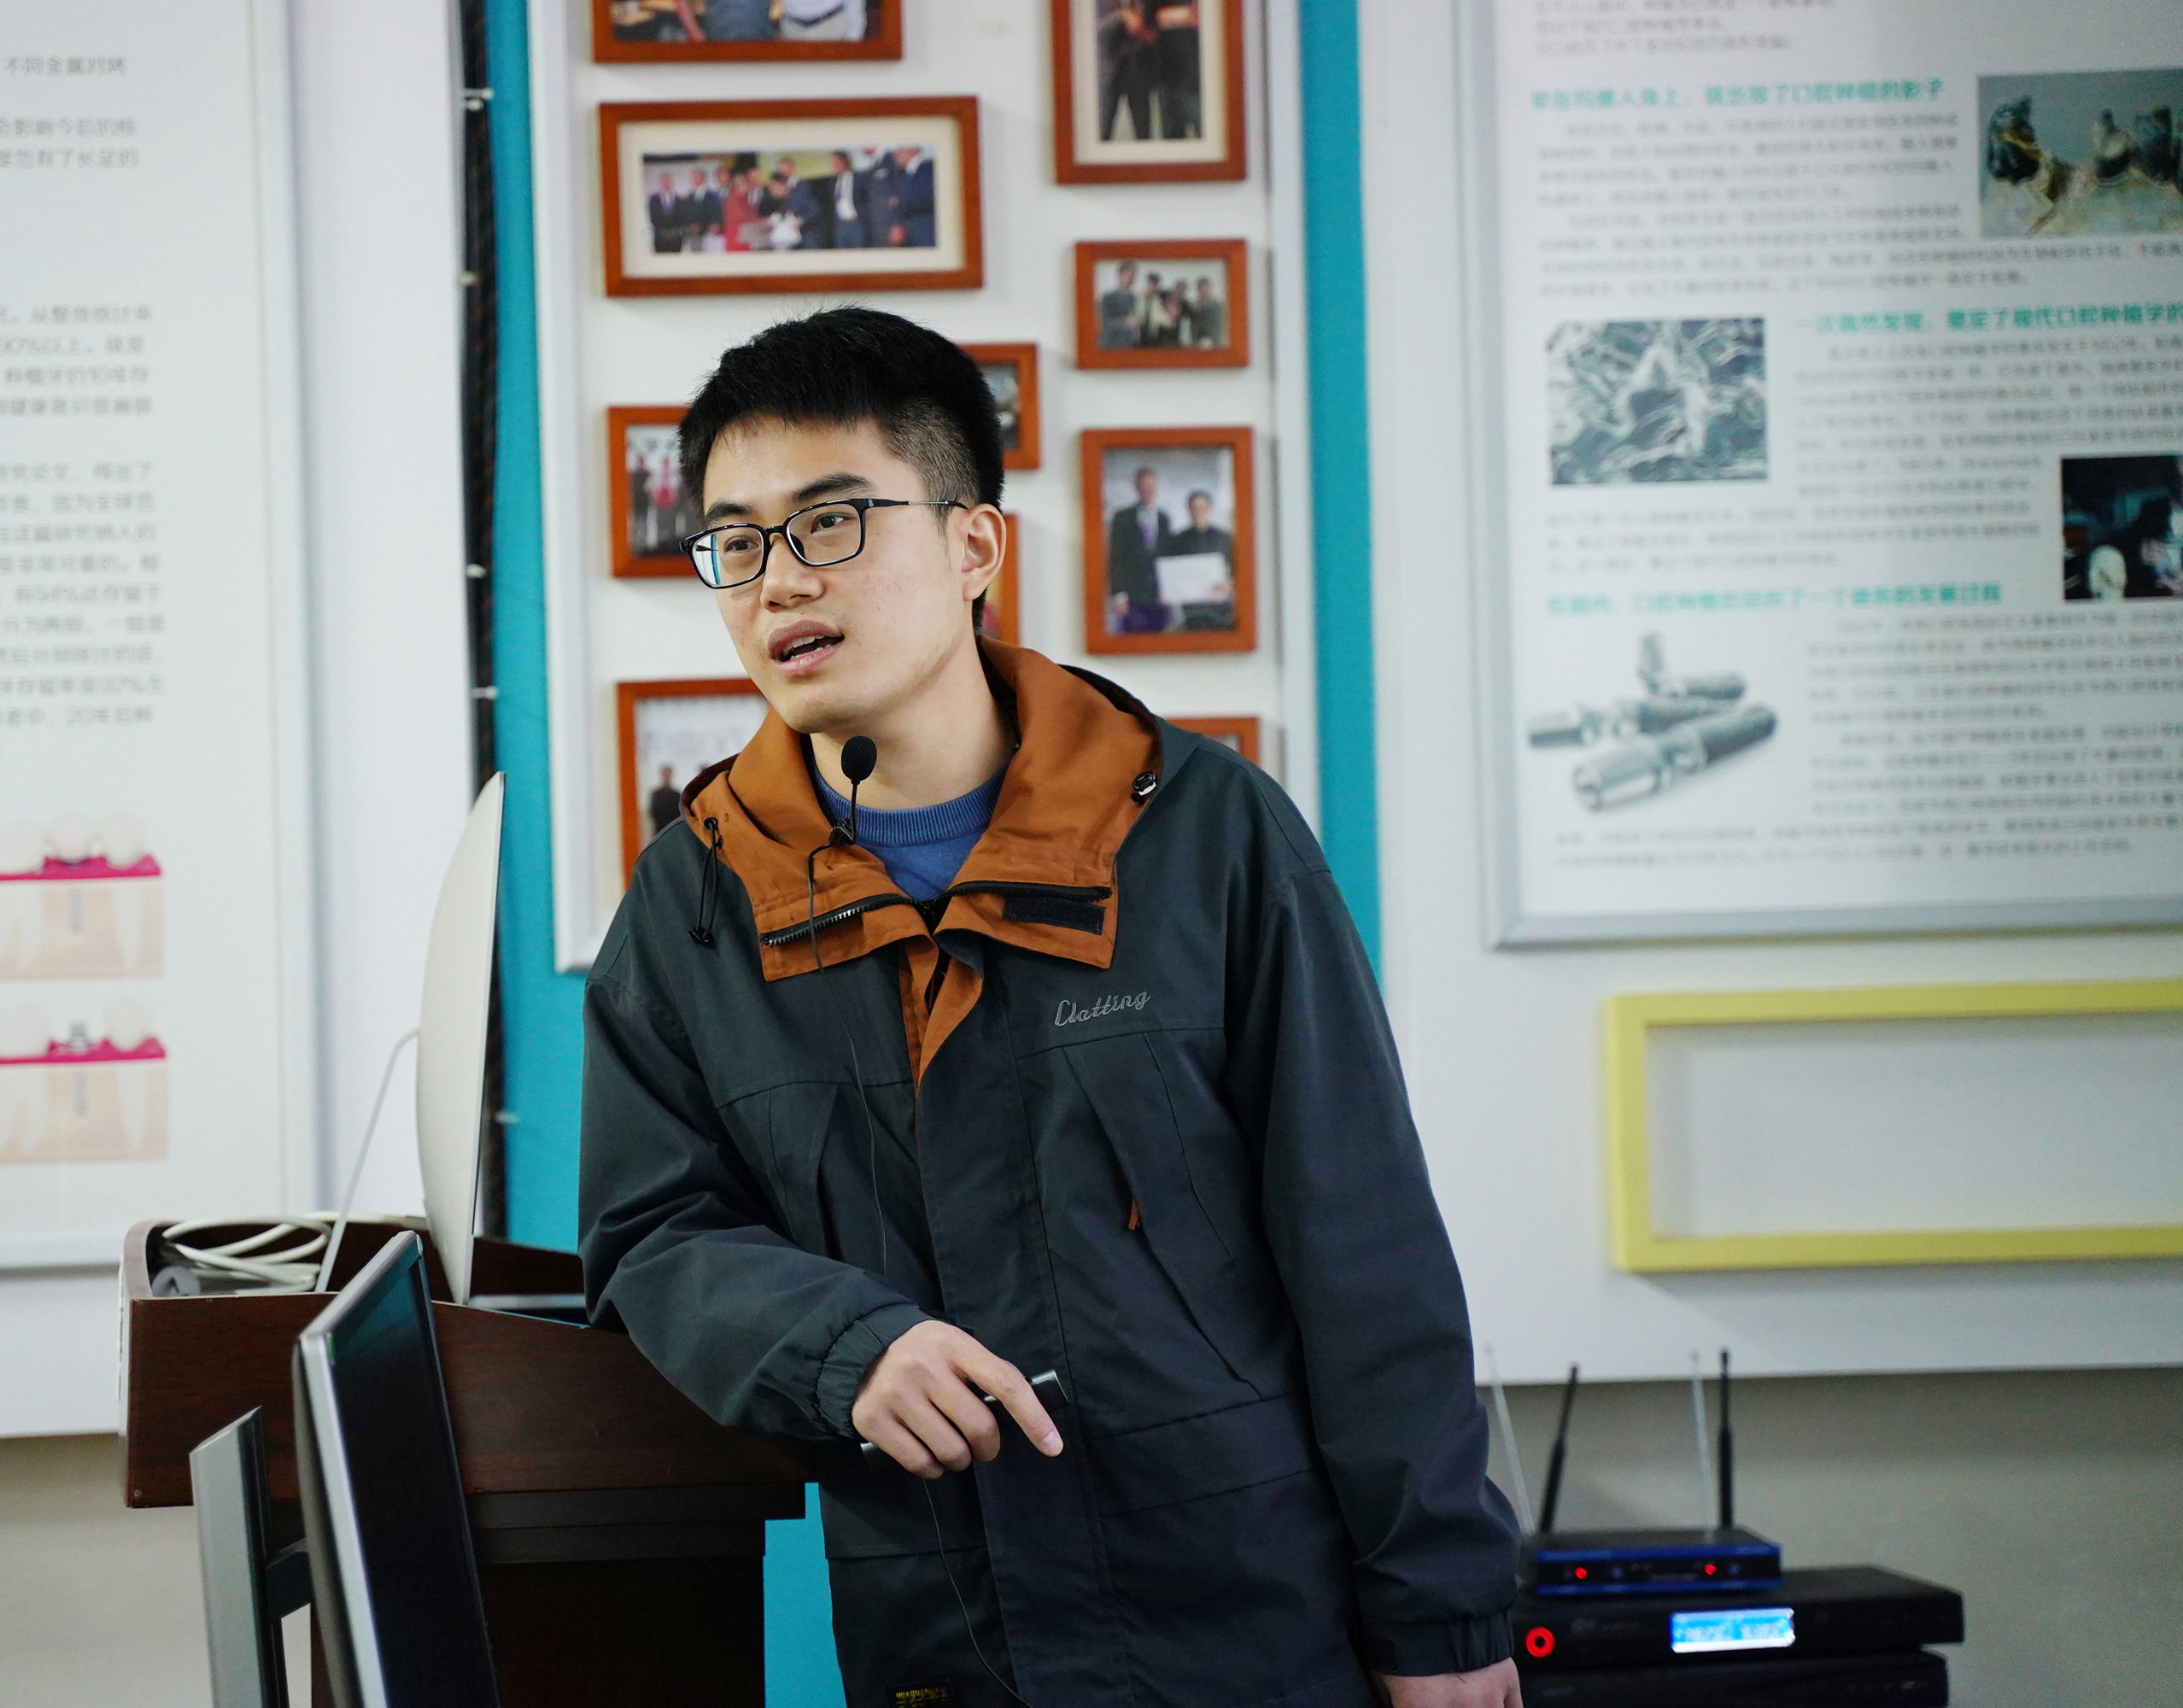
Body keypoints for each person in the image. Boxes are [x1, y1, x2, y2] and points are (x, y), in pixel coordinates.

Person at [579, 304, 1520, 1708]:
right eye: (736, 542)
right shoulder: (696, 899)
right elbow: (652, 1235)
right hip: (939, 1636)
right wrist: (844, 1346)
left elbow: (1361, 1239)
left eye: (830, 523)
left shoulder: (1203, 835)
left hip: (1246, 1626)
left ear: (974, 547)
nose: (778, 584)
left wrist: (1441, 1617)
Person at [1104, 463, 1173, 632]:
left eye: (1151, 486)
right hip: (1132, 597)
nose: (1148, 490)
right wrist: (1118, 594)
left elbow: (1169, 556)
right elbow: (1116, 558)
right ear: (1137, 488)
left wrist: (1171, 590)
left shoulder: (1164, 518)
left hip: (1159, 597)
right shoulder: (1122, 517)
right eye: (1144, 485)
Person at [1165, 488, 1235, 629]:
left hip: (1220, 610)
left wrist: (1230, 583)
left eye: (1202, 508)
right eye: (1195, 508)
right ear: (1189, 510)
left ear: (1209, 509)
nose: (1198, 512)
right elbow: (1170, 574)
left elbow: (1239, 572)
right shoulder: (1177, 540)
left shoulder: (1224, 538)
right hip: (1190, 612)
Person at [1098, 0, 1160, 143]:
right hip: (1108, 70)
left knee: (1143, 134)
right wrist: (1122, 17)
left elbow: (1156, 30)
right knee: (1103, 131)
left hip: (1140, 68)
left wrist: (1144, 31)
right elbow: (1092, 29)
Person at [1155, 1, 1203, 138]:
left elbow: (1199, 16)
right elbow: (1144, 22)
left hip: (1197, 80)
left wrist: (1168, 16)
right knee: (1173, 140)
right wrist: (1183, 15)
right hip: (1168, 78)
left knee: (1207, 133)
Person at [888, 144, 936, 248]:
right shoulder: (904, 173)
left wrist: (900, 201)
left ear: (910, 150)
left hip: (926, 230)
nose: (895, 155)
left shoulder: (929, 168)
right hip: (909, 233)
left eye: (899, 151)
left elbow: (930, 197)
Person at [822, 149, 869, 249]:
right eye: (832, 163)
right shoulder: (833, 181)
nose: (833, 165)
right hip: (840, 226)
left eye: (836, 162)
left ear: (844, 161)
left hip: (856, 224)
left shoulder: (859, 178)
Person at [1097, 260, 1141, 349]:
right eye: (1129, 276)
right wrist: (1125, 322)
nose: (1132, 280)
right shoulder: (1109, 297)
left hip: (1131, 346)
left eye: (1133, 276)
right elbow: (1105, 323)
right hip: (1113, 346)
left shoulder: (1135, 297)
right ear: (1120, 275)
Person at [647, 170, 688, 254]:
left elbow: (682, 217)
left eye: (668, 180)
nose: (666, 183)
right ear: (660, 182)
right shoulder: (654, 199)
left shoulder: (679, 199)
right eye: (664, 180)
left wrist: (673, 232)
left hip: (676, 237)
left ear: (672, 182)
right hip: (660, 237)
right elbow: (653, 217)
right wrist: (664, 232)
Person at [644, 763, 683, 840]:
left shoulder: (676, 794)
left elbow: (679, 812)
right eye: (665, 774)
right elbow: (652, 811)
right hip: (659, 829)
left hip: (672, 829)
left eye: (668, 774)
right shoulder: (656, 794)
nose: (666, 777)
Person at [1188, 275, 1226, 348]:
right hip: (1197, 339)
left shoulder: (1216, 304)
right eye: (1201, 287)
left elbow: (1218, 323)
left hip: (1212, 340)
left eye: (1205, 287)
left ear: (1208, 288)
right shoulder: (1193, 304)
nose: (1203, 290)